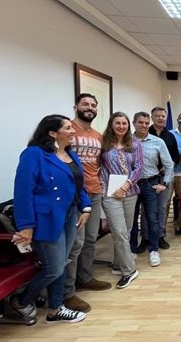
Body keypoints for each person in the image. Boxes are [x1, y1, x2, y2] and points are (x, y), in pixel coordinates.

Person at [11, 115, 90, 324]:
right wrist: (26, 226)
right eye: (68, 128)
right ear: (52, 133)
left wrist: (86, 207)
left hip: (70, 214)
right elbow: (22, 191)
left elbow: (79, 184)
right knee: (53, 268)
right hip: (47, 218)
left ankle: (55, 309)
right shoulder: (34, 154)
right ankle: (21, 301)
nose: (73, 131)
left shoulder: (70, 154)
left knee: (62, 263)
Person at [64, 93, 111, 316]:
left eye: (93, 105)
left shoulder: (98, 136)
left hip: (94, 191)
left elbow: (100, 163)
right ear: (76, 107)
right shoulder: (67, 131)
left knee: (90, 238)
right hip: (73, 195)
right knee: (75, 243)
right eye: (85, 104)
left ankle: (85, 277)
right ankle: (67, 291)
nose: (89, 108)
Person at [100, 112, 144, 289]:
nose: (121, 126)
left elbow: (139, 167)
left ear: (128, 125)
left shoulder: (134, 143)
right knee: (119, 231)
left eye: (124, 123)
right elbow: (96, 167)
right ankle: (129, 270)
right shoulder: (103, 143)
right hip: (110, 193)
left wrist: (126, 185)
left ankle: (118, 264)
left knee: (126, 229)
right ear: (111, 124)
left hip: (130, 191)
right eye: (117, 123)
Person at [130, 112, 173, 268]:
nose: (143, 125)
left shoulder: (158, 142)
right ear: (134, 123)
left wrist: (165, 184)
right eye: (140, 122)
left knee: (152, 218)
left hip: (151, 184)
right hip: (131, 185)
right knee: (132, 220)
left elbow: (169, 165)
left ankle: (154, 250)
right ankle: (132, 249)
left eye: (146, 123)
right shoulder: (127, 142)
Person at [149, 106, 179, 249]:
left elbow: (176, 157)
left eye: (163, 116)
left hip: (165, 176)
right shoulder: (145, 132)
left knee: (162, 207)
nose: (161, 118)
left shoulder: (170, 136)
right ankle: (146, 237)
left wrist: (167, 166)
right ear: (152, 117)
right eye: (158, 116)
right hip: (148, 177)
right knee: (146, 209)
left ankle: (161, 235)